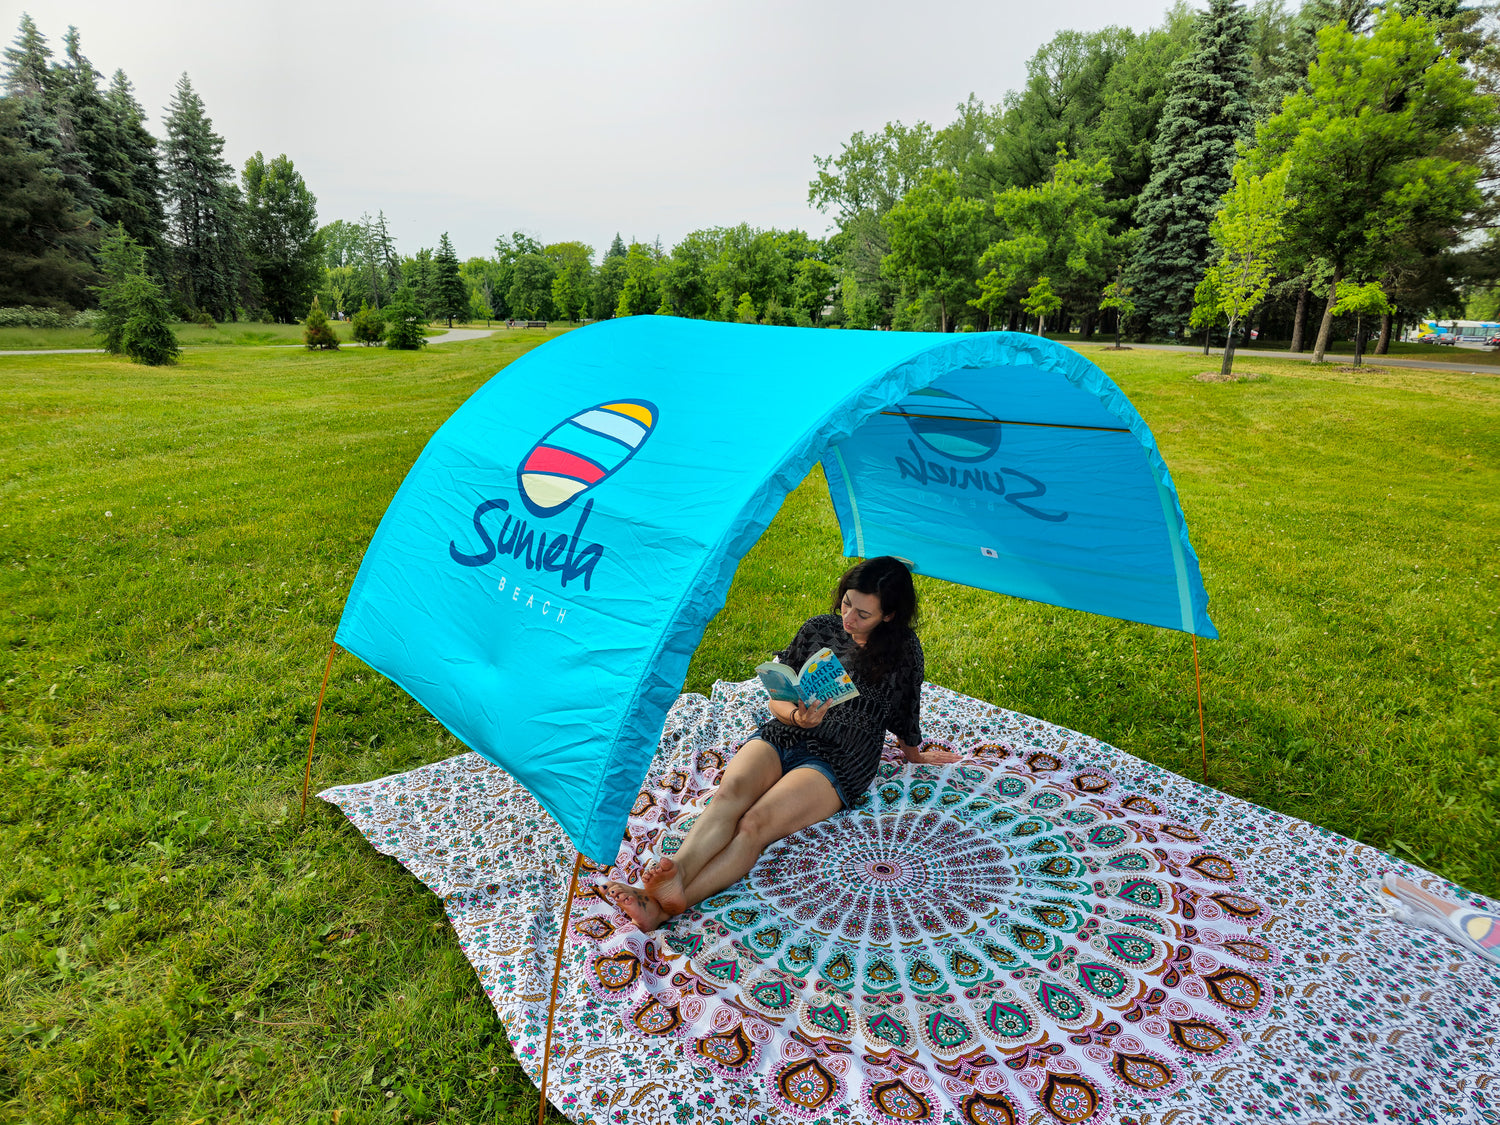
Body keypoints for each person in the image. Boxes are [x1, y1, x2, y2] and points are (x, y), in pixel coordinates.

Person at [606, 556, 960, 931]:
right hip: (787, 730)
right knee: (730, 796)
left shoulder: (902, 652)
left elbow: (906, 713)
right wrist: (795, 716)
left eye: (863, 614)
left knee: (755, 823)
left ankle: (667, 905)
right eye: (846, 604)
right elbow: (778, 696)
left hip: (841, 757)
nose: (848, 619)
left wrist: (915, 755)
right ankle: (676, 873)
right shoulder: (819, 630)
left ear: (888, 616)